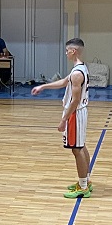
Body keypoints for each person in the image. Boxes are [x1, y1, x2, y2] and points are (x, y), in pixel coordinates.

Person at [31, 38, 92, 199]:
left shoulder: (77, 73)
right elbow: (64, 82)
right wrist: (43, 86)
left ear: (73, 51)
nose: (66, 53)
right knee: (81, 146)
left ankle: (83, 187)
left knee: (77, 149)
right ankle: (86, 180)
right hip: (79, 112)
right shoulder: (80, 68)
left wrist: (64, 119)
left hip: (75, 113)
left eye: (67, 51)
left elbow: (75, 100)